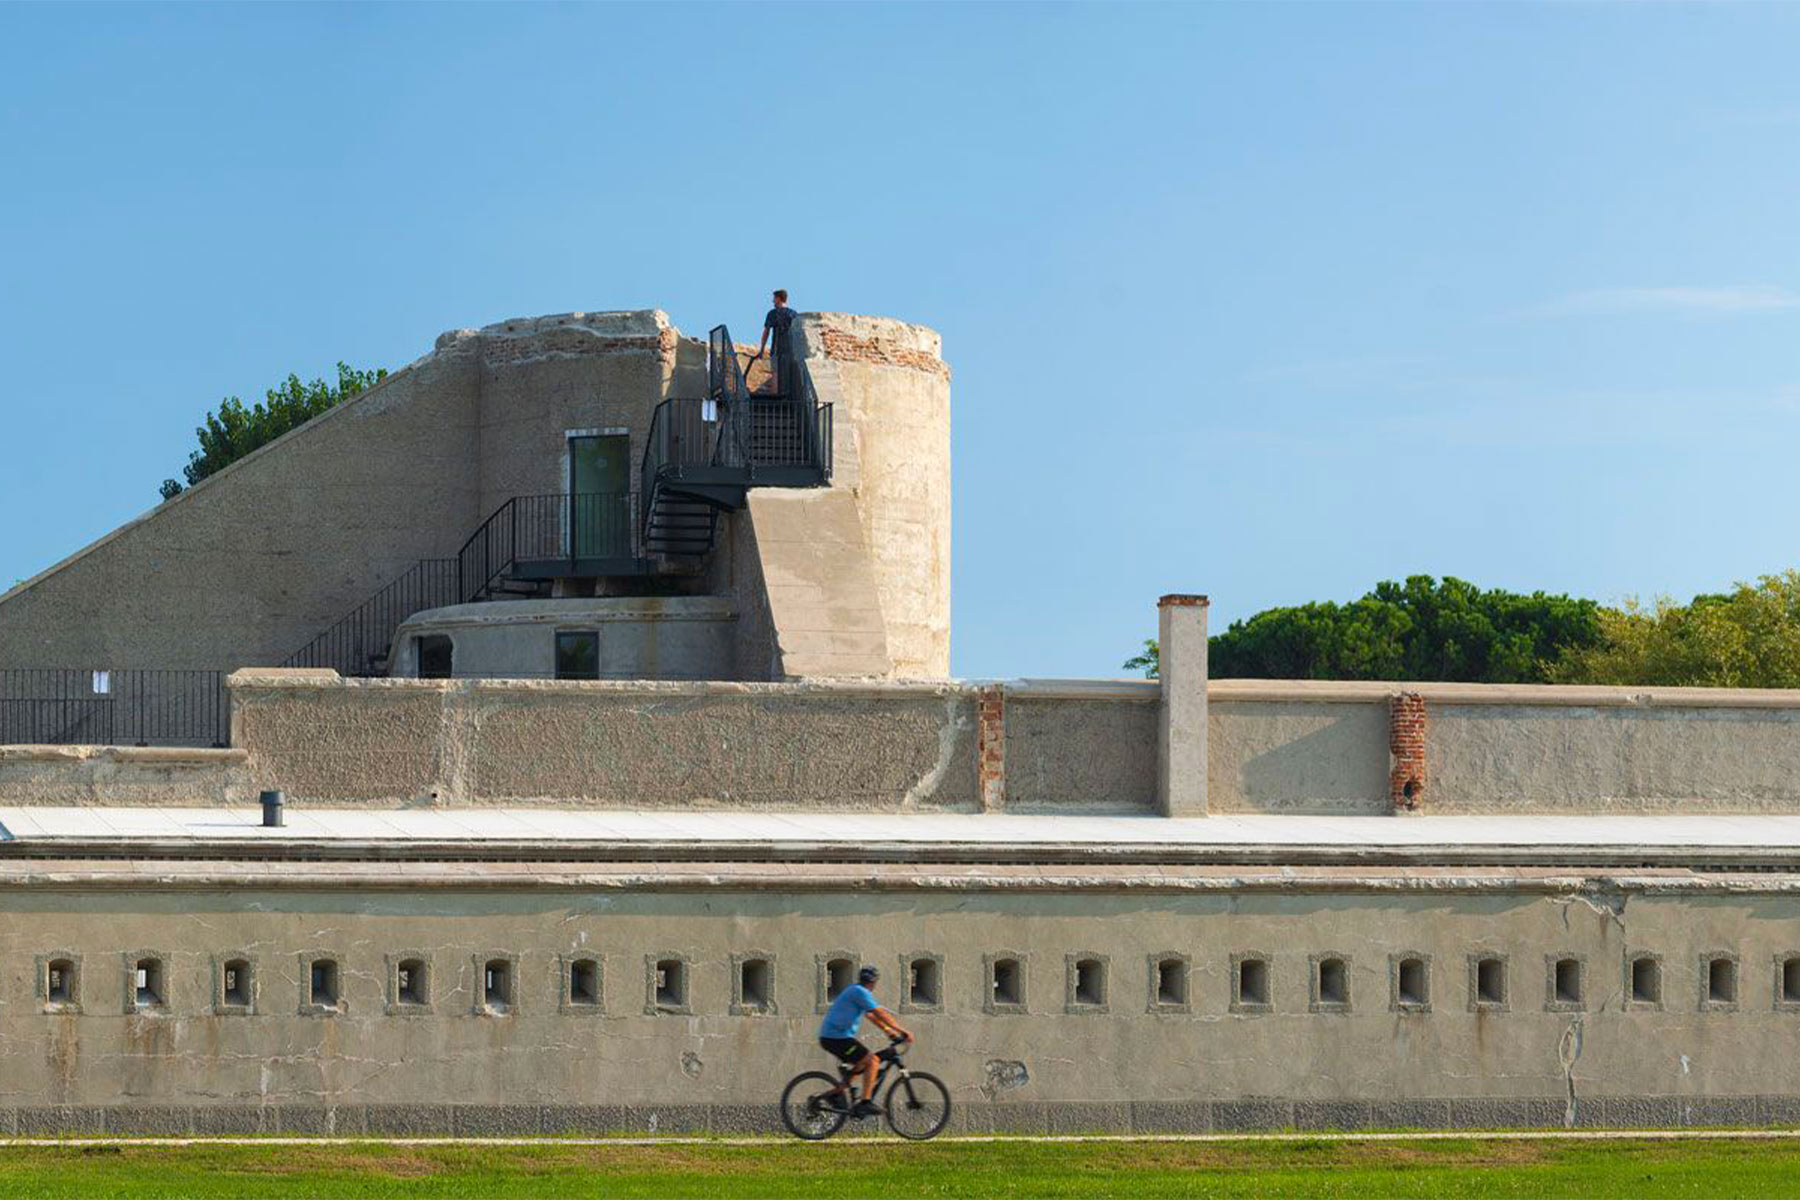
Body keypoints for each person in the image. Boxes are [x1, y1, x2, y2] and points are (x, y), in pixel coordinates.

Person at [817, 965, 913, 1117]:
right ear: (873, 982)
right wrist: (902, 1031)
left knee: (861, 1064)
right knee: (873, 1060)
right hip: (837, 1038)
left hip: (834, 1037)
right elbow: (879, 1013)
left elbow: (872, 1016)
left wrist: (890, 1032)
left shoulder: (856, 991)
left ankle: (835, 1093)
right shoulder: (860, 992)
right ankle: (865, 1103)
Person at [754, 289, 797, 395]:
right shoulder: (794, 314)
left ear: (778, 298)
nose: (773, 301)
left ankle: (775, 395)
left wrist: (762, 349)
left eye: (774, 298)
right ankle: (788, 395)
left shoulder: (772, 313)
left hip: (776, 348)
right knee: (789, 373)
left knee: (775, 372)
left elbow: (766, 332)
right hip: (790, 349)